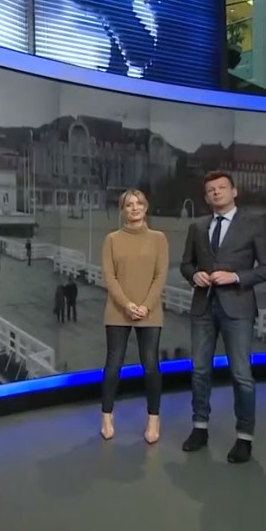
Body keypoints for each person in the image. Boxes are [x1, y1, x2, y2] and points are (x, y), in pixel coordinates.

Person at [179, 170, 266, 464]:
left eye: (222, 187)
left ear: (234, 192)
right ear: (206, 196)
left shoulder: (255, 224)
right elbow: (186, 264)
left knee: (241, 374)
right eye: (211, 189)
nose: (216, 192)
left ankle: (244, 437)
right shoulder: (198, 226)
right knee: (199, 371)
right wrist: (194, 275)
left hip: (238, 308)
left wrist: (236, 276)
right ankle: (200, 427)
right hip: (203, 308)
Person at [100, 189, 169, 445]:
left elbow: (160, 276)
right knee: (113, 364)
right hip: (118, 310)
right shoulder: (112, 239)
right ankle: (106, 416)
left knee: (150, 364)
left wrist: (146, 306)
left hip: (150, 311)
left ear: (146, 207)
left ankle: (153, 418)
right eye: (129, 205)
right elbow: (110, 277)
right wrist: (127, 305)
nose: (134, 208)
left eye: (139, 203)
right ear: (122, 210)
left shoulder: (159, 238)